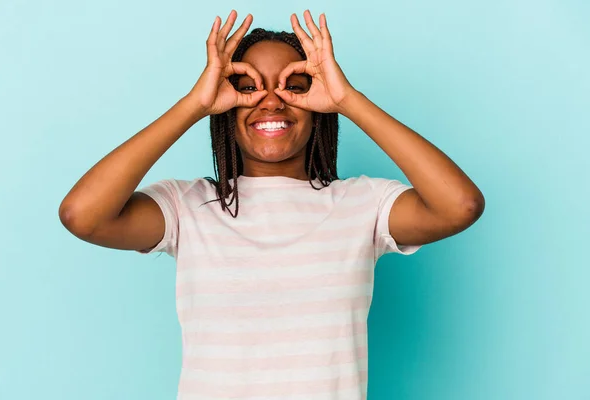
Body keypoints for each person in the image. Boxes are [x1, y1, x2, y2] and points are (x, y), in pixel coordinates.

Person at [59, 9, 485, 400]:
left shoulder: (363, 204)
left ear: (317, 106)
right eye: (247, 88)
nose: (270, 100)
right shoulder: (187, 206)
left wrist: (348, 100)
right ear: (226, 106)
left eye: (294, 87)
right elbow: (83, 215)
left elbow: (459, 205)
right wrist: (195, 105)